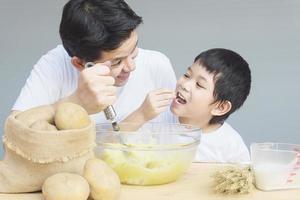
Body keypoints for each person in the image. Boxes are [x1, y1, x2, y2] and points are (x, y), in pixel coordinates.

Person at [12, 0, 176, 124]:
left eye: (134, 50)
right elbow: (12, 135)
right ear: (80, 64)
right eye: (117, 62)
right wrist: (76, 102)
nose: (131, 67)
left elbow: (176, 136)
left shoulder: (157, 65)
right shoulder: (54, 64)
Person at [123, 48, 251, 163]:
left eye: (199, 85)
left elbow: (243, 182)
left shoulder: (230, 144)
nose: (184, 85)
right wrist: (142, 114)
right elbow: (115, 143)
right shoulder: (157, 118)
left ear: (219, 107)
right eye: (187, 75)